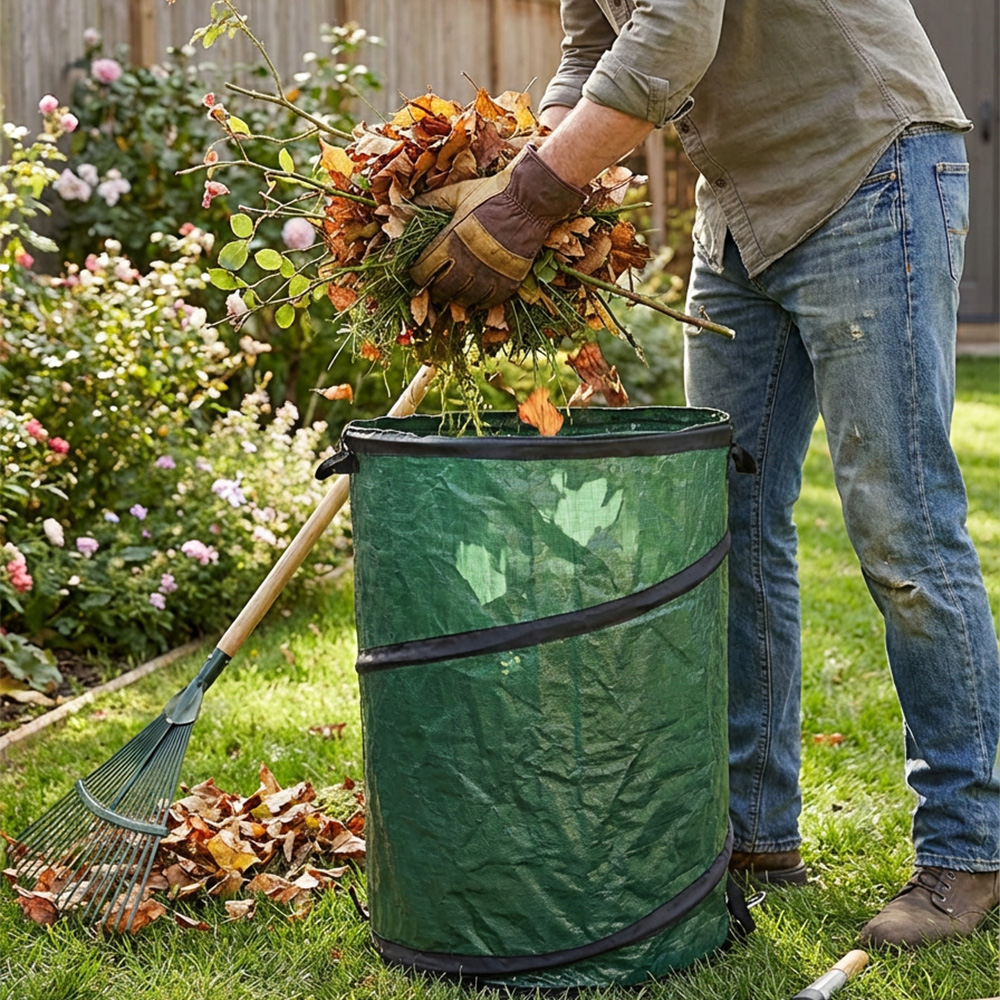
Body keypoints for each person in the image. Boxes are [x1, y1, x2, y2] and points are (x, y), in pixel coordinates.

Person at [410, 0, 1000, 948]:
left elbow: (676, 32)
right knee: (722, 516)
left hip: (864, 161)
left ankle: (967, 851)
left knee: (904, 526)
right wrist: (507, 166)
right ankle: (755, 836)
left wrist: (532, 199)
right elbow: (591, 49)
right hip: (741, 208)